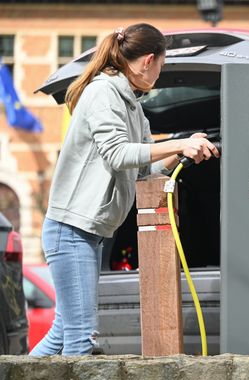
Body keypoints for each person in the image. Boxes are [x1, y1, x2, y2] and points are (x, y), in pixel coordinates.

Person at [29, 23, 219, 356]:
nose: (160, 74)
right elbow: (117, 154)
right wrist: (178, 142)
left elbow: (143, 169)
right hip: (71, 230)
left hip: (88, 232)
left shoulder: (132, 104)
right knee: (80, 337)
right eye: (162, 65)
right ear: (149, 60)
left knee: (62, 333)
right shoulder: (103, 92)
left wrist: (183, 150)